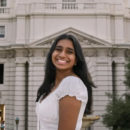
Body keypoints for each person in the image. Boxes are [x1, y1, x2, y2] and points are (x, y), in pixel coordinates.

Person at [36, 34, 96, 130]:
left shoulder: (71, 84)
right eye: (58, 49)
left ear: (76, 59)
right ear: (52, 53)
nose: (62, 55)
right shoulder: (53, 85)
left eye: (69, 52)